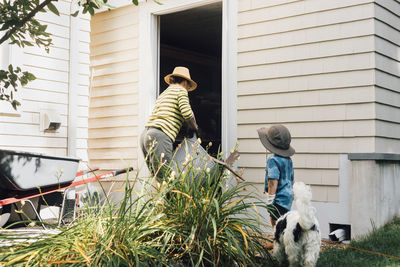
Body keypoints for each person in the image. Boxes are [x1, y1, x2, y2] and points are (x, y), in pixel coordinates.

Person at [140, 66, 199, 180]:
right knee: (167, 179)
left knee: (158, 177)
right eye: (188, 86)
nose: (187, 89)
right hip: (159, 136)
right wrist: (194, 126)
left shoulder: (164, 93)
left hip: (146, 136)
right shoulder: (181, 90)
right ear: (185, 82)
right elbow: (187, 113)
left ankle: (157, 198)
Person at [257, 124, 295, 228]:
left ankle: (277, 240)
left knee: (275, 219)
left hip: (278, 197)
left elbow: (273, 181)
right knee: (284, 219)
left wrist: (270, 199)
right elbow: (291, 178)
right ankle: (280, 239)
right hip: (288, 196)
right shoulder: (288, 160)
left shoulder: (273, 160)